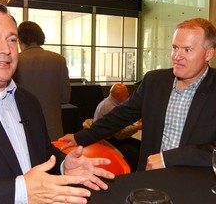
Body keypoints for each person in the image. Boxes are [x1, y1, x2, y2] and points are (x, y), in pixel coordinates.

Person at [0, 0, 114, 204]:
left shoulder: (28, 100)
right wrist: (20, 191)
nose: (6, 50)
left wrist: (63, 166)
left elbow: (41, 152)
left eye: (11, 40)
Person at [59, 17, 216, 172]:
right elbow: (121, 115)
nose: (176, 56)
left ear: (209, 54)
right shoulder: (155, 81)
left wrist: (168, 158)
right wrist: (80, 137)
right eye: (175, 48)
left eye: (187, 50)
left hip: (195, 184)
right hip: (149, 179)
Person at [13, 21, 71, 141]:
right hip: (53, 130)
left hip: (23, 130)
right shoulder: (59, 60)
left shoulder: (14, 61)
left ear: (19, 39)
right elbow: (66, 98)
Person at [91, 83, 141, 172]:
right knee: (134, 153)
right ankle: (130, 174)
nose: (128, 94)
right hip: (108, 139)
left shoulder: (109, 102)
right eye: (126, 92)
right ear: (119, 95)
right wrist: (137, 127)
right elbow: (119, 134)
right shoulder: (110, 107)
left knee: (140, 144)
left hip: (111, 135)